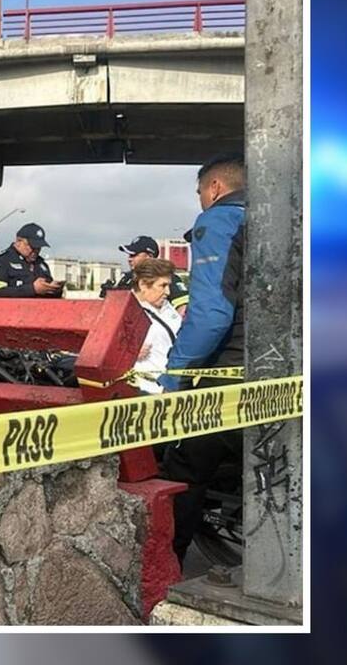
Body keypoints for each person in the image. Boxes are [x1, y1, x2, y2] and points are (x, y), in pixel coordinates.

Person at [157, 154, 247, 566]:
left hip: (233, 371)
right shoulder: (288, 219)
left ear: (214, 188)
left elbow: (210, 316)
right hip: (285, 371)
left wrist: (175, 374)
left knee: (185, 463)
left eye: (199, 193)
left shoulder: (219, 220)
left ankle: (163, 573)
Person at [102, 235, 190, 318]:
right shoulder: (126, 278)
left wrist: (174, 325)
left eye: (133, 255)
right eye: (129, 255)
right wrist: (109, 297)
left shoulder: (167, 278)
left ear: (149, 256)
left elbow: (183, 307)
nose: (129, 259)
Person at [129, 258, 182, 395]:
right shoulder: (124, 312)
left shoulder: (167, 307)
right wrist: (129, 353)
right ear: (143, 284)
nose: (168, 292)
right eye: (162, 285)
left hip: (173, 388)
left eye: (168, 285)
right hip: (145, 391)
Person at [0, 222, 63, 298]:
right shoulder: (1, 261)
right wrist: (32, 289)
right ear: (18, 241)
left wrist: (54, 290)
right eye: (32, 246)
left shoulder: (41, 265)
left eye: (39, 247)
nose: (36, 251)